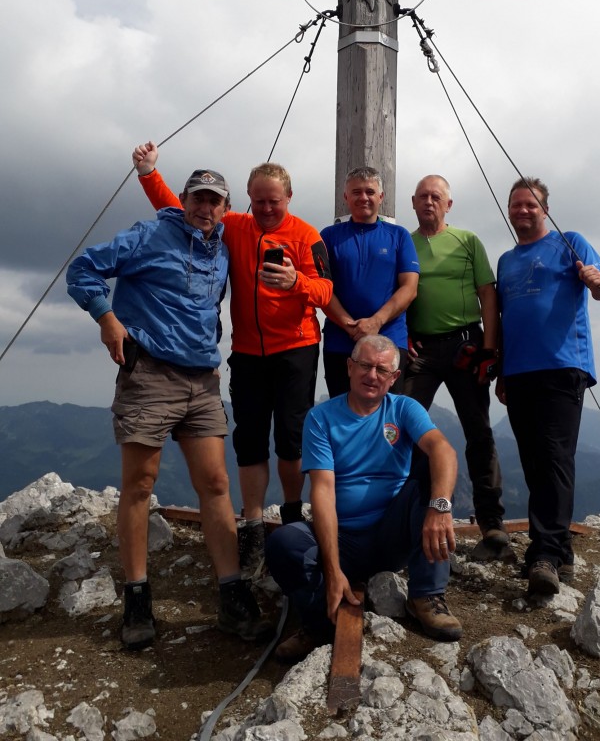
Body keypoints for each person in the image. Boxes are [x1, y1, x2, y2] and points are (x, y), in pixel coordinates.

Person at [66, 169, 270, 649]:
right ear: (183, 200)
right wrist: (107, 319)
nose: (205, 208)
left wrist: (210, 354)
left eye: (214, 202)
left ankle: (231, 595)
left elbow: (208, 308)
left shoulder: (221, 249)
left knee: (217, 485)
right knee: (139, 485)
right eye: (198, 199)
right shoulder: (150, 233)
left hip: (201, 380)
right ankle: (137, 598)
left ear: (225, 208)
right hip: (150, 373)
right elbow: (83, 269)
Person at [132, 143, 332, 579]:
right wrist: (149, 174)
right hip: (247, 352)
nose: (264, 209)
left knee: (293, 437)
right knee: (250, 437)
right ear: (245, 198)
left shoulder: (307, 235)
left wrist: (296, 280)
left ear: (289, 199)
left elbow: (325, 292)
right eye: (257, 201)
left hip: (296, 347)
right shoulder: (235, 227)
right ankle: (255, 524)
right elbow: (179, 210)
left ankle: (294, 515)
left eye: (273, 202)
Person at [265, 335, 462, 663]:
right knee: (283, 542)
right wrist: (332, 569)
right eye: (365, 366)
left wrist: (440, 507)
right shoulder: (322, 418)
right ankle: (317, 624)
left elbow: (444, 449)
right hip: (342, 536)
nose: (372, 375)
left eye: (382, 370)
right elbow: (323, 492)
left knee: (433, 473)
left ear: (394, 378)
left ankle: (427, 596)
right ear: (350, 366)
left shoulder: (403, 408)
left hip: (390, 533)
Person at [496, 177, 600, 596]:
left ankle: (543, 553)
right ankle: (560, 554)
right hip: (520, 371)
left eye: (530, 204)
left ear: (545, 209)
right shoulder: (506, 260)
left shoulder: (570, 240)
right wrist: (503, 373)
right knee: (534, 461)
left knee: (554, 458)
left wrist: (598, 281)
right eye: (516, 205)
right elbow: (509, 318)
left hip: (564, 365)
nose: (522, 211)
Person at [403, 174, 506, 554]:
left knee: (478, 431)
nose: (429, 202)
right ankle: (415, 515)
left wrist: (490, 350)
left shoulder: (467, 241)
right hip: (421, 350)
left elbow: (487, 295)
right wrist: (403, 333)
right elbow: (399, 290)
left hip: (466, 343)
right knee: (406, 427)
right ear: (413, 202)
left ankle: (492, 525)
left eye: (436, 197)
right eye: (423, 196)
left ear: (448, 204)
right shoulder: (405, 242)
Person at [320, 166, 419, 397]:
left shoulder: (399, 236)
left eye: (370, 192)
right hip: (340, 343)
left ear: (381, 197)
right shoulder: (328, 236)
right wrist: (349, 325)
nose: (363, 197)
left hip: (390, 341)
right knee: (343, 415)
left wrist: (376, 322)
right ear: (345, 196)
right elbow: (321, 287)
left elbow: (410, 288)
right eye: (356, 192)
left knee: (387, 418)